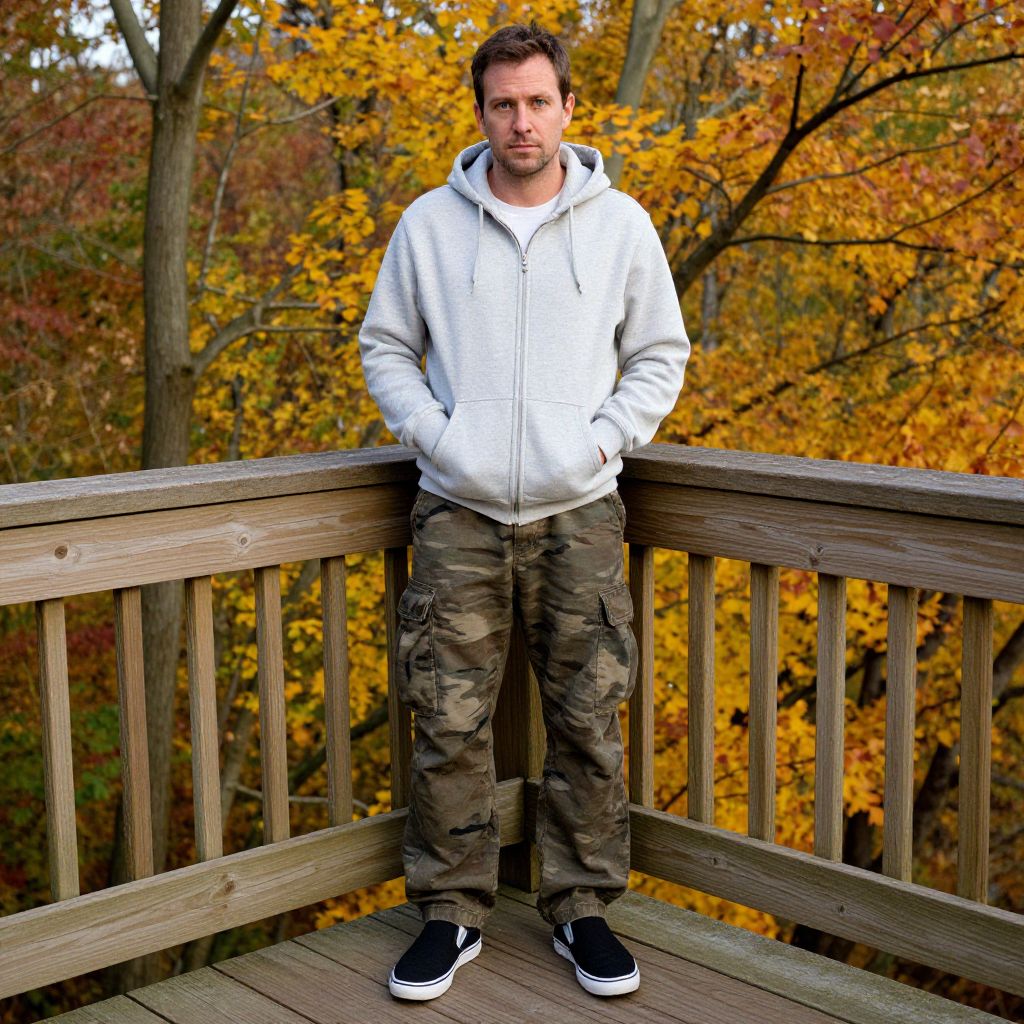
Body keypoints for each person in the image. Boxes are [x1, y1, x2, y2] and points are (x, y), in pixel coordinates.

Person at [357, 21, 689, 1002]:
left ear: (567, 108)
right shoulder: (428, 225)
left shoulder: (620, 224)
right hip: (456, 514)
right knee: (447, 718)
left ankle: (582, 907)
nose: (521, 121)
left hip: (580, 513)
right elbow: (386, 348)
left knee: (589, 717)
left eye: (538, 101)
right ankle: (452, 912)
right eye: (503, 104)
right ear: (480, 113)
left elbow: (659, 354)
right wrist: (442, 439)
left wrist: (599, 442)